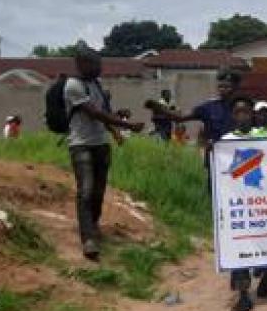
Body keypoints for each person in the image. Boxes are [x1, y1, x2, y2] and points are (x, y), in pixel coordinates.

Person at [65, 47, 144, 260]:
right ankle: (88, 239)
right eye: (96, 64)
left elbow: (105, 114)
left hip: (101, 144)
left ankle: (94, 226)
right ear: (82, 64)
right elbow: (95, 113)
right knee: (86, 190)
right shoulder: (74, 86)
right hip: (81, 144)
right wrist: (128, 126)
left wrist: (115, 133)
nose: (100, 68)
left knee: (99, 191)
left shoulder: (96, 85)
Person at [222, 99, 267, 311]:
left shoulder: (263, 137)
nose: (242, 116)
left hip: (262, 201)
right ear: (233, 116)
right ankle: (243, 296)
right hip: (238, 203)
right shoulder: (225, 141)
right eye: (238, 112)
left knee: (263, 241)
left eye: (246, 112)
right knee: (239, 247)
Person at [146, 69, 241, 182]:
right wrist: (160, 109)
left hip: (239, 157)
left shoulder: (243, 107)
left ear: (235, 87)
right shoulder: (208, 107)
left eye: (227, 87)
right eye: (220, 87)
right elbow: (180, 118)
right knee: (214, 189)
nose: (223, 90)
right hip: (216, 157)